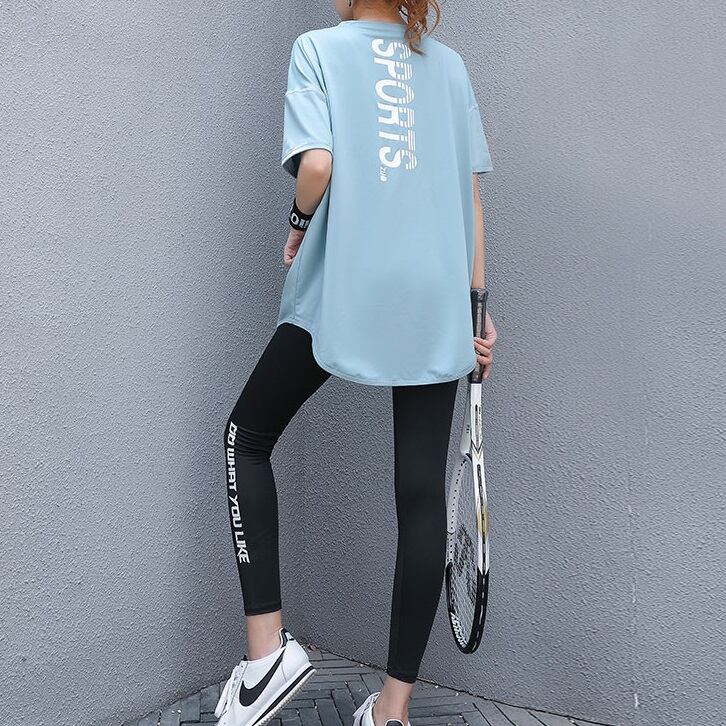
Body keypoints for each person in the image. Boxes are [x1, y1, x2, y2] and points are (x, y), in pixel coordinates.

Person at [214, 1, 498, 725]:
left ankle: (266, 657)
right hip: (435, 301)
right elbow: (469, 200)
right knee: (421, 496)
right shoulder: (450, 67)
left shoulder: (319, 49)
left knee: (246, 437)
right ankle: (391, 713)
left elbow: (317, 165)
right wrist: (477, 310)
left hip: (344, 286)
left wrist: (298, 221)